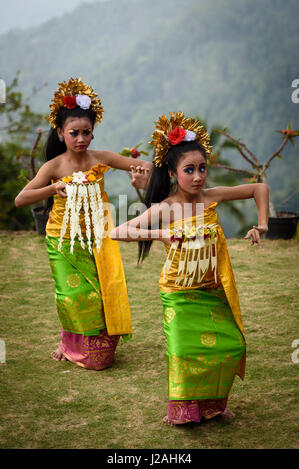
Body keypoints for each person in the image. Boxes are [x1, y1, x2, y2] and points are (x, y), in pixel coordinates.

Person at [110, 111, 269, 425]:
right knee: (184, 353)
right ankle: (183, 412)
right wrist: (159, 234)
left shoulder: (211, 197)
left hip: (211, 288)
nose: (198, 177)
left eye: (202, 168)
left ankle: (212, 405)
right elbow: (118, 231)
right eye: (189, 170)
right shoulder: (166, 209)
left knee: (229, 345)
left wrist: (262, 226)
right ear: (172, 173)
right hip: (179, 292)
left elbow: (259, 189)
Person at [15, 77, 151, 370]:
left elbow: (146, 165)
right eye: (73, 133)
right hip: (62, 240)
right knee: (72, 295)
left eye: (86, 132)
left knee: (101, 295)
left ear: (93, 132)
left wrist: (141, 174)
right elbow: (21, 199)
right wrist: (52, 189)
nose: (80, 139)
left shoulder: (100, 158)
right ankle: (67, 343)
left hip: (98, 238)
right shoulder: (54, 166)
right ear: (61, 132)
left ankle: (92, 342)